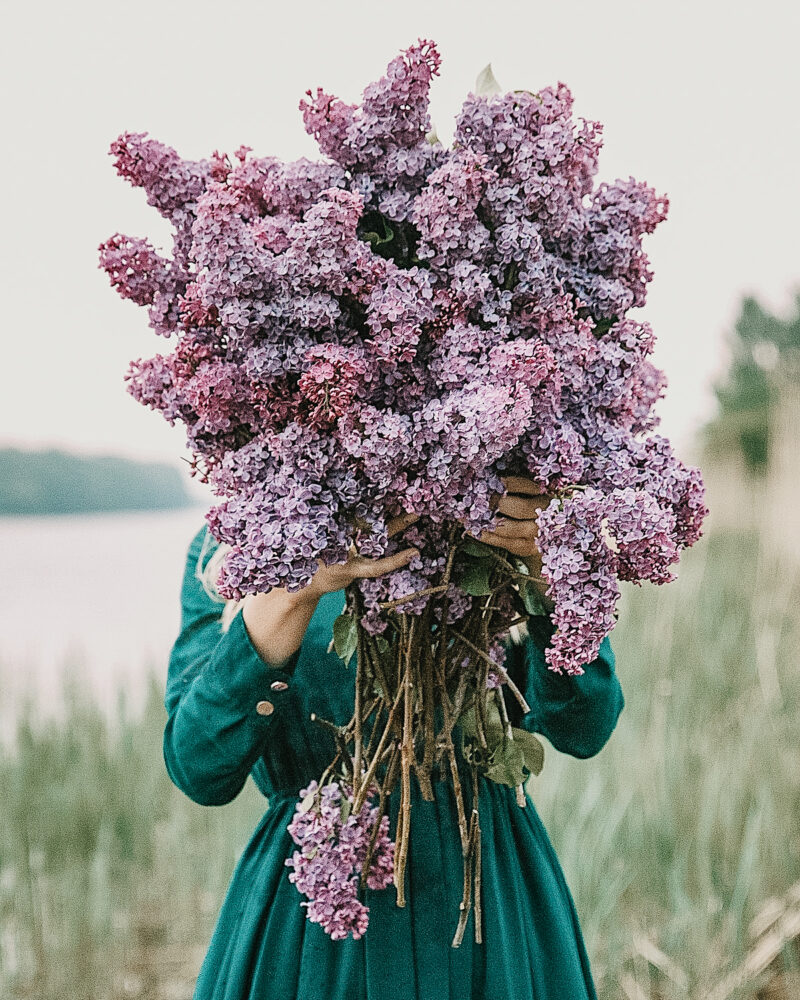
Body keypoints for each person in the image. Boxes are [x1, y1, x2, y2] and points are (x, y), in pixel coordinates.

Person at [164, 476, 625, 1000]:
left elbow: (586, 728)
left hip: (488, 900)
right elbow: (199, 767)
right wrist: (293, 592)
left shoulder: (504, 500)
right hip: (318, 920)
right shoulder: (236, 540)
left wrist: (554, 569)